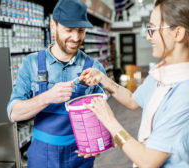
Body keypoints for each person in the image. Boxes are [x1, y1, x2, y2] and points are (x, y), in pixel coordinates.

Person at [78, 0, 189, 167]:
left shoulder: (184, 91)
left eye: (153, 29)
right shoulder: (162, 73)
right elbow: (132, 100)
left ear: (178, 33)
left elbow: (148, 161)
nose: (148, 36)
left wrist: (109, 120)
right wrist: (103, 78)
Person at [7, 0, 105, 167]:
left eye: (80, 31)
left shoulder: (94, 68)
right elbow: (14, 113)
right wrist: (47, 97)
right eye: (69, 30)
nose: (76, 38)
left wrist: (98, 139)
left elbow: (102, 113)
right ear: (53, 26)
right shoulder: (32, 63)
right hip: (42, 155)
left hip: (80, 155)